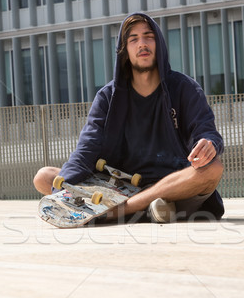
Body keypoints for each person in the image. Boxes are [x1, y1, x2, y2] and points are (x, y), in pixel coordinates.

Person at [34, 12, 224, 223]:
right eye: (133, 39)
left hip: (171, 182)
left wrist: (208, 144)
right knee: (45, 176)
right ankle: (152, 209)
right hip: (118, 186)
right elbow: (86, 149)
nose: (142, 44)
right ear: (124, 51)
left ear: (159, 44)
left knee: (213, 168)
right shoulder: (108, 97)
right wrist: (63, 192)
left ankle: (122, 211)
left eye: (148, 36)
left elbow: (206, 131)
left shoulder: (184, 88)